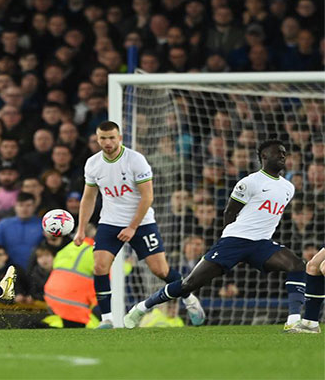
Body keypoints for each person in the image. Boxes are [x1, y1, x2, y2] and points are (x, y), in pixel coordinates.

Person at [124, 140, 307, 331]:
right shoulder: (250, 182)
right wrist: (229, 241)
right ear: (264, 157)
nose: (283, 156)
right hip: (234, 241)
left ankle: (294, 320)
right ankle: (142, 307)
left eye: (284, 153)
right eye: (278, 153)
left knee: (296, 265)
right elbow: (229, 212)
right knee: (189, 284)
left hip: (261, 244)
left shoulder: (288, 188)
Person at [73, 121, 204, 328]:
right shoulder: (93, 163)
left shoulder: (135, 160)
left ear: (120, 138)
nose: (107, 142)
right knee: (100, 266)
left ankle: (188, 298)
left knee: (160, 271)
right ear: (97, 139)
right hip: (110, 222)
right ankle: (107, 318)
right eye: (103, 138)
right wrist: (81, 229)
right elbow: (88, 198)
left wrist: (132, 227)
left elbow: (147, 197)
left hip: (141, 223)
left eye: (111, 138)